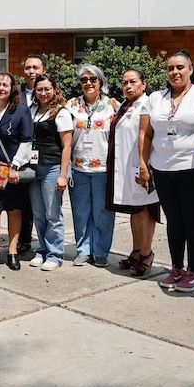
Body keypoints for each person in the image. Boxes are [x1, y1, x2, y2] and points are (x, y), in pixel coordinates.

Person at [140, 50, 194, 292]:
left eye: (180, 67)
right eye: (171, 68)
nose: (175, 72)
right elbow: (146, 133)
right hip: (162, 169)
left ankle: (193, 270)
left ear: (191, 70)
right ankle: (176, 268)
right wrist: (144, 164)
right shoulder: (155, 98)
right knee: (174, 221)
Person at [65, 65, 119, 267]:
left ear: (101, 82)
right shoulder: (72, 105)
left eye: (93, 79)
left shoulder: (112, 105)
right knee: (81, 212)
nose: (88, 83)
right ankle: (83, 250)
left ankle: (101, 251)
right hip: (78, 168)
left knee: (103, 213)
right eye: (84, 80)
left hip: (104, 169)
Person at [109, 69, 160, 276]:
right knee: (134, 210)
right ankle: (136, 251)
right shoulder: (124, 105)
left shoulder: (147, 104)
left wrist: (144, 167)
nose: (128, 86)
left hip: (142, 166)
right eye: (124, 82)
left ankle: (147, 254)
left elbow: (146, 137)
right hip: (127, 167)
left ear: (144, 84)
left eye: (133, 82)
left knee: (146, 210)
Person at [0, 72, 34, 271]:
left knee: (13, 210)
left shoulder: (21, 111)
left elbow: (26, 141)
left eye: (6, 85)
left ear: (13, 89)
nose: (1, 88)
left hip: (12, 170)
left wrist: (16, 165)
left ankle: (12, 251)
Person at [27, 74, 73, 271]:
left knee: (53, 213)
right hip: (33, 168)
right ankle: (43, 250)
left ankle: (55, 254)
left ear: (55, 89)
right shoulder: (33, 110)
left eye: (47, 89)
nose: (43, 93)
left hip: (52, 168)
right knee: (38, 214)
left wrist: (63, 174)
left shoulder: (61, 113)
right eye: (39, 89)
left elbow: (67, 147)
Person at [16, 53, 46, 253]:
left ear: (43, 70)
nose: (31, 71)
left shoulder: (48, 90)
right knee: (21, 200)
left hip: (44, 153)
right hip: (19, 151)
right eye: (28, 68)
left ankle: (46, 243)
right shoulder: (15, 92)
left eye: (35, 68)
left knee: (44, 201)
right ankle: (23, 239)